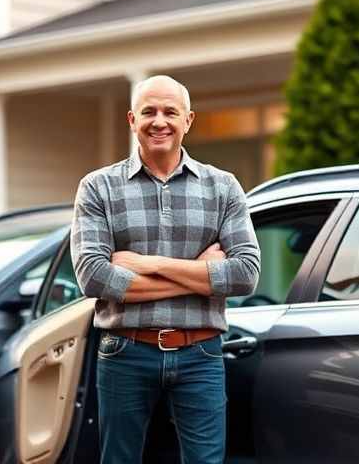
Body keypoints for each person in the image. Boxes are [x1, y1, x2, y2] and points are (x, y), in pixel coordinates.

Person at [70, 75, 260, 463]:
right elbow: (93, 276)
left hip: (201, 352)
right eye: (149, 112)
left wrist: (149, 264)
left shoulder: (223, 187)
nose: (160, 121)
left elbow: (245, 273)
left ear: (188, 120)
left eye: (170, 112)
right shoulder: (97, 188)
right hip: (125, 350)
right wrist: (201, 276)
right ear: (131, 119)